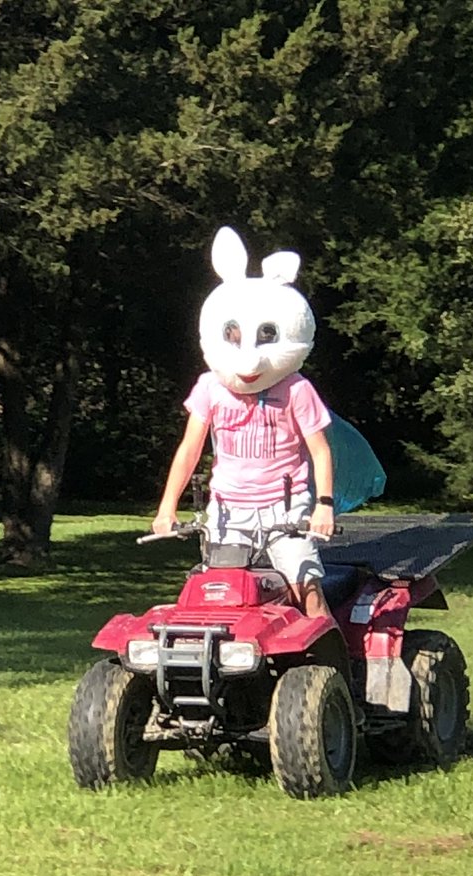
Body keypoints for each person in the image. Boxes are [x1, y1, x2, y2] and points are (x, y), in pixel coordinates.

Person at [151, 226, 335, 619]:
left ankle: (334, 669)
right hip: (228, 509)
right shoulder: (210, 388)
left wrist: (323, 506)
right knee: (221, 593)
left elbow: (320, 450)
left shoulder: (296, 390)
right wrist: (167, 508)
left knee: (303, 584)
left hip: (284, 508)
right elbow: (189, 450)